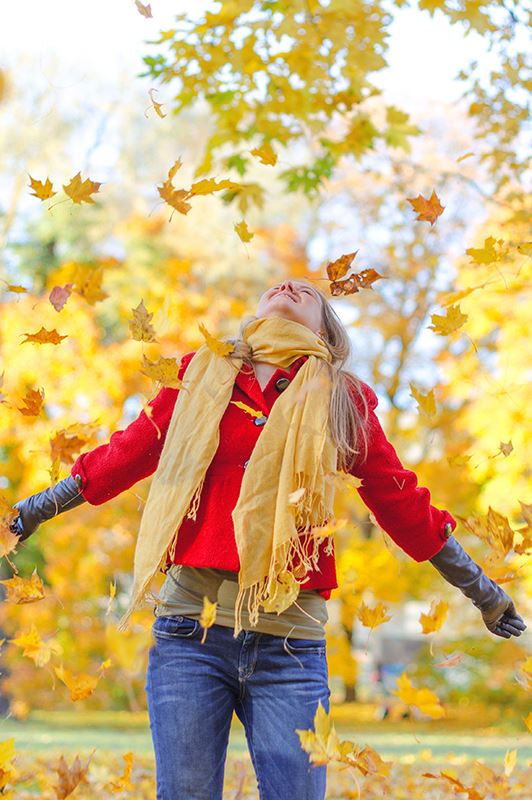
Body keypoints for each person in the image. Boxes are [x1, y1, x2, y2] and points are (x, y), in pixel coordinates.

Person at [10, 278, 527, 800]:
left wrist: (482, 591)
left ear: (327, 333)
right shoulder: (200, 375)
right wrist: (34, 508)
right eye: (280, 286)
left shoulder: (341, 400)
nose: (290, 286)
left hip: (290, 646)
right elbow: (125, 454)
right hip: (192, 636)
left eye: (308, 292)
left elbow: (401, 501)